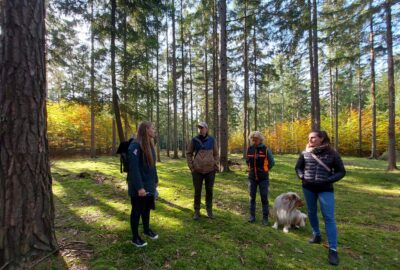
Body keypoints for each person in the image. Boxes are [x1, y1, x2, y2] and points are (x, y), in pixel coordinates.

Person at [295, 130, 346, 266]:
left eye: (313, 138)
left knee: (328, 217)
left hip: (325, 189)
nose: (310, 140)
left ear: (321, 139)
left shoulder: (332, 153)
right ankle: (316, 234)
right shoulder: (305, 152)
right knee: (311, 212)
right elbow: (298, 167)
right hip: (308, 187)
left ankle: (333, 249)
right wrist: (302, 176)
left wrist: (328, 179)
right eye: (309, 138)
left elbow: (342, 171)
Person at [127, 121, 159, 247]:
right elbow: (134, 169)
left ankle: (146, 230)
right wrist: (139, 187)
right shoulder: (135, 145)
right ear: (146, 130)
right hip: (138, 186)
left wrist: (155, 180)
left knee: (146, 209)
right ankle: (135, 238)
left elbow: (152, 165)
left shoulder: (149, 144)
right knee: (137, 211)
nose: (154, 130)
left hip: (149, 184)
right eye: (152, 128)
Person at [186, 122, 219, 220]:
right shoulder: (194, 140)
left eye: (202, 128)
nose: (200, 129)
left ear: (206, 129)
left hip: (210, 170)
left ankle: (209, 210)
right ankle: (197, 211)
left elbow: (216, 154)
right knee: (197, 191)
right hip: (197, 170)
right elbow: (189, 153)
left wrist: (215, 164)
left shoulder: (212, 140)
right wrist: (191, 167)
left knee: (209, 190)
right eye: (199, 128)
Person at [246, 131, 275, 225]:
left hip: (263, 178)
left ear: (260, 139)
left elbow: (272, 162)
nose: (254, 140)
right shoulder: (249, 149)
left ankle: (265, 219)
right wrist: (251, 169)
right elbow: (247, 161)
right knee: (252, 197)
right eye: (252, 139)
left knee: (264, 198)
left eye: (256, 139)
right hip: (252, 177)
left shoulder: (265, 149)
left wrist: (265, 170)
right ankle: (252, 216)